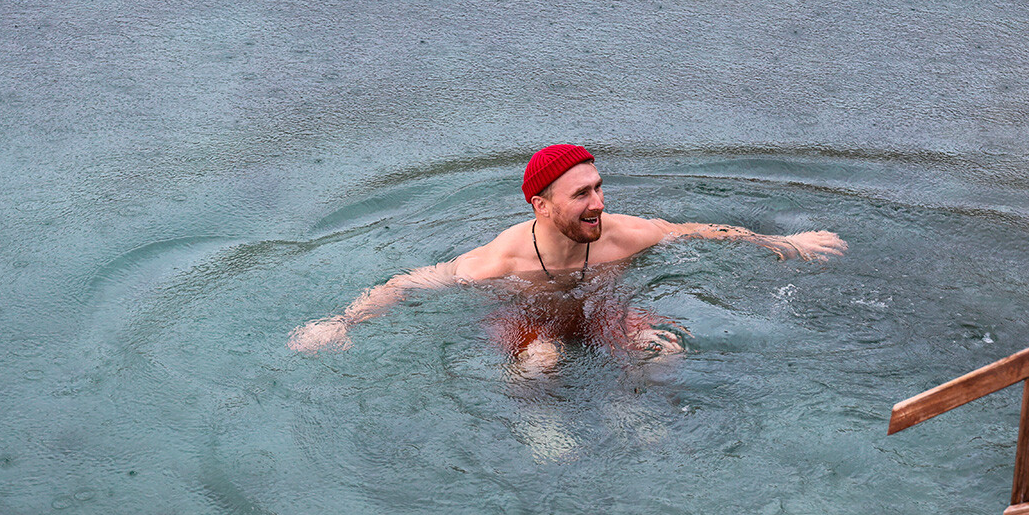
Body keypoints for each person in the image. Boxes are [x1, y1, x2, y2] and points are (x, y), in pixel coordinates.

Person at [288, 144, 846, 366]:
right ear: (540, 205)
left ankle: (636, 414)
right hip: (527, 319)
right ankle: (541, 426)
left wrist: (782, 244)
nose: (599, 204)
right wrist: (340, 322)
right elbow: (408, 282)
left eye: (599, 188)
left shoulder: (621, 235)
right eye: (582, 194)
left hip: (603, 309)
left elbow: (699, 230)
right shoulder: (502, 259)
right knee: (540, 363)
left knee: (663, 349)